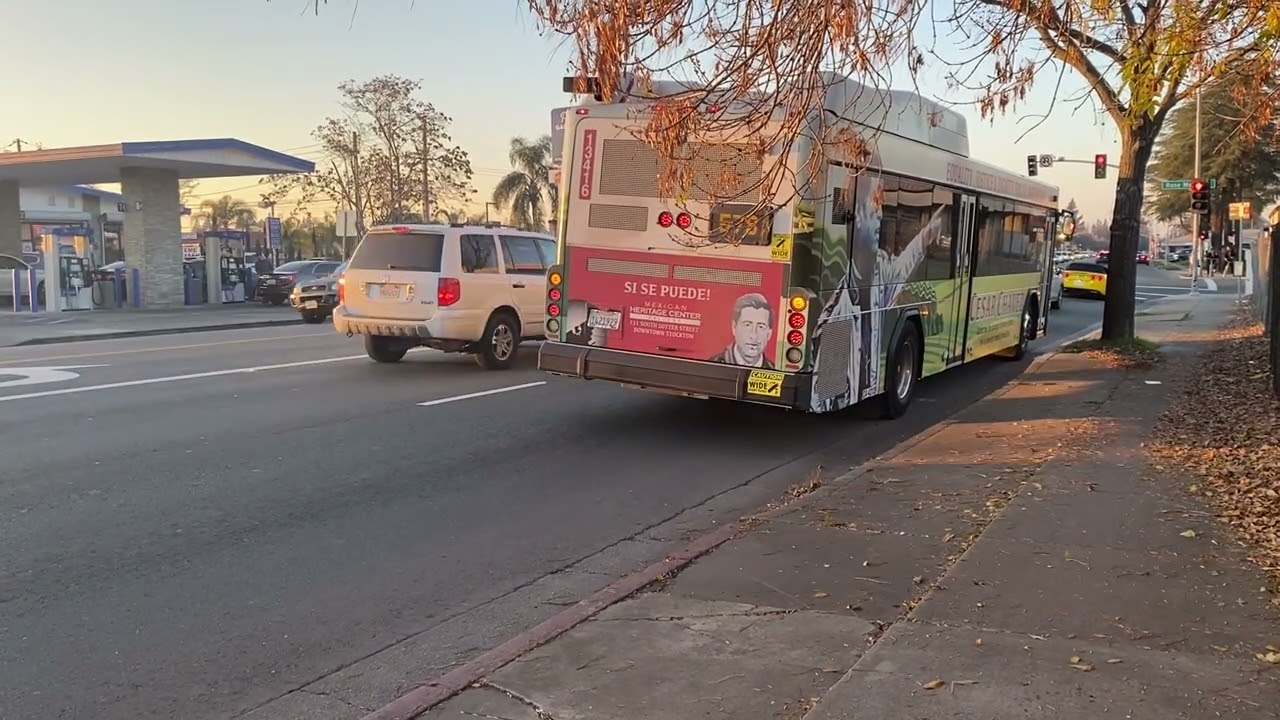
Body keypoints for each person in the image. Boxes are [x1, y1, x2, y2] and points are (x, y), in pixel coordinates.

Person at [709, 293, 775, 368]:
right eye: (747, 325)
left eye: (761, 327)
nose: (753, 336)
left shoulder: (775, 370)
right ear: (734, 327)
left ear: (769, 333)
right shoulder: (711, 365)